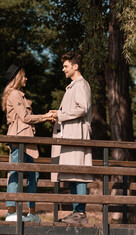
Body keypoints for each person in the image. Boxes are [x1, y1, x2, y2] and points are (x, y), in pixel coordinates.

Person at [2, 64, 52, 222]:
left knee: (33, 174)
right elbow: (24, 117)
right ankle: (11, 211)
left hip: (27, 139)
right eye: (23, 76)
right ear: (17, 78)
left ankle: (32, 213)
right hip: (18, 139)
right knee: (15, 173)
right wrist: (44, 116)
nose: (26, 78)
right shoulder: (15, 94)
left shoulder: (20, 95)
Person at [50, 51, 93, 224]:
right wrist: (58, 114)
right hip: (70, 135)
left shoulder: (81, 85)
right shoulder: (73, 85)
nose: (63, 69)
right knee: (72, 175)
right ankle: (76, 211)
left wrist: (60, 115)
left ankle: (80, 213)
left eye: (66, 66)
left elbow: (82, 108)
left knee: (78, 174)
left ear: (75, 66)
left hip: (77, 135)